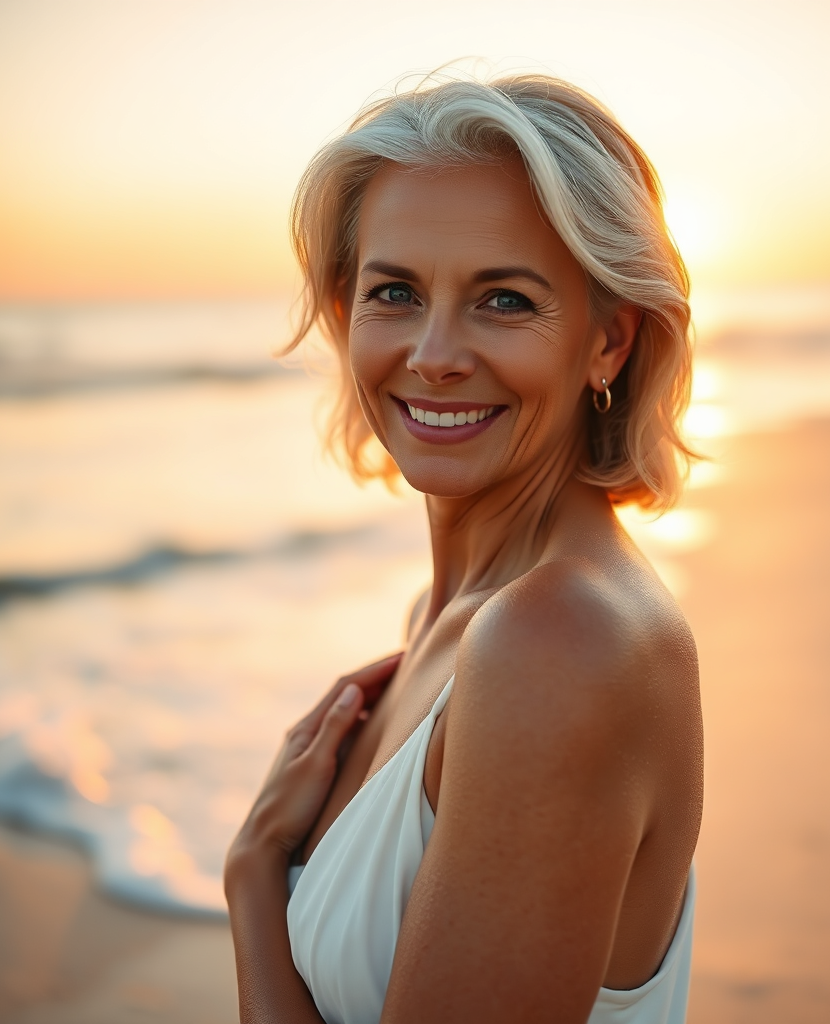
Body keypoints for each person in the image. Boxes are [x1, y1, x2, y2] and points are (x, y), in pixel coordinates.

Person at [224, 72, 703, 1024]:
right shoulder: (454, 619)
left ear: (609, 341)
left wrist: (251, 885)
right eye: (395, 290)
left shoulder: (560, 642)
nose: (434, 353)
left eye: (506, 301)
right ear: (345, 311)